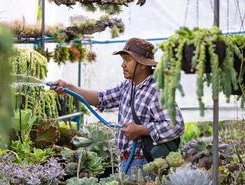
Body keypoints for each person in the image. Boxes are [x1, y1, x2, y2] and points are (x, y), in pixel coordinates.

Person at [50, 38, 184, 174]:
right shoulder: (128, 85)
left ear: (143, 64)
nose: (123, 65)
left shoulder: (157, 90)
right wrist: (68, 87)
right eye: (123, 59)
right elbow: (100, 98)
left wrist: (141, 130)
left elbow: (176, 125)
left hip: (146, 163)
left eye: (127, 60)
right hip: (126, 161)